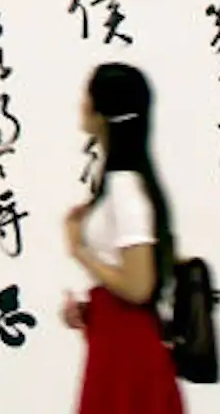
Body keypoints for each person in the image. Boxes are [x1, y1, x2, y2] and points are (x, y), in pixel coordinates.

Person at [61, 62, 187, 414]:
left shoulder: (124, 187)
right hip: (116, 342)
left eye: (86, 96)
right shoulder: (122, 184)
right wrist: (92, 311)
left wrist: (79, 251)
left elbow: (138, 285)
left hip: (127, 353)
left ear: (100, 111)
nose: (81, 104)